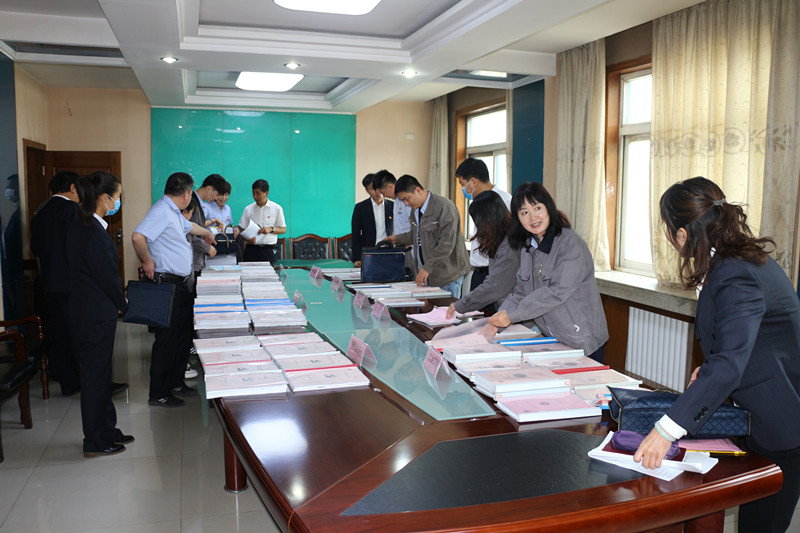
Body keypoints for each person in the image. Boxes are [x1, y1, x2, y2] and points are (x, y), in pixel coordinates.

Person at [633, 177, 800, 533]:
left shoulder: (735, 273)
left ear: (681, 234)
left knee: (762, 525)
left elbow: (729, 364)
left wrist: (665, 430)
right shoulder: (731, 260)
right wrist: (711, 365)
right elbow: (743, 338)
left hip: (784, 422)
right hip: (761, 410)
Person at [487, 182, 608, 361]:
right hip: (554, 338)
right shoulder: (529, 246)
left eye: (537, 208)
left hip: (582, 338)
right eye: (524, 212)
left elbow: (556, 292)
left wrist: (511, 316)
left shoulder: (570, 243)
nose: (533, 217)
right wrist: (497, 320)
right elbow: (522, 290)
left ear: (548, 207)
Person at [132, 172, 215, 407]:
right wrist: (147, 260)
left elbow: (190, 226)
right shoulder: (161, 211)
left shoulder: (173, 212)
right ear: (187, 194)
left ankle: (176, 382)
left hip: (180, 284)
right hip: (166, 284)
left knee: (182, 336)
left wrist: (207, 232)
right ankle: (159, 392)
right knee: (167, 340)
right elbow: (138, 237)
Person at [66, 171, 133, 457]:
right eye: (117, 197)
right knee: (95, 378)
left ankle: (107, 429)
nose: (118, 202)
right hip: (93, 315)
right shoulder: (90, 230)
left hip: (93, 310)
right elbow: (107, 276)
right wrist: (124, 302)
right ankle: (94, 439)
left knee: (102, 375)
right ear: (105, 198)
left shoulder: (87, 225)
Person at [30, 171, 82, 396]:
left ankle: (68, 384)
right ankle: (88, 383)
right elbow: (83, 249)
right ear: (72, 188)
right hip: (74, 284)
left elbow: (36, 248)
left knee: (60, 333)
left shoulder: (40, 213)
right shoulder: (74, 211)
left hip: (50, 283)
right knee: (80, 335)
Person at [385, 174, 470, 298]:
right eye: (403, 200)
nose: (406, 203)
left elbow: (446, 243)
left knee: (446, 309)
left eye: (407, 199)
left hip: (447, 276)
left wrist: (427, 268)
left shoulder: (444, 206)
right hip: (429, 275)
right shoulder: (416, 210)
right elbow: (416, 234)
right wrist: (398, 239)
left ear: (418, 190)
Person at [445, 191, 519, 318]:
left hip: (516, 315)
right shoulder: (500, 240)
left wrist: (460, 305)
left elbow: (495, 287)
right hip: (507, 310)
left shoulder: (510, 246)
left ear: (487, 221)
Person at [455, 158, 513, 291]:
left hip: (495, 272)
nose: (463, 189)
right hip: (479, 272)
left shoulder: (504, 201)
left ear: (473, 182)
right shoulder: (479, 202)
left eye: (463, 184)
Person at [234, 179, 286, 263]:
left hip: (269, 250)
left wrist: (271, 229)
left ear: (266, 193)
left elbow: (283, 229)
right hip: (251, 249)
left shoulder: (276, 208)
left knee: (269, 271)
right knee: (248, 271)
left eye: (258, 193)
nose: (255, 196)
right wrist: (247, 239)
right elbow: (242, 229)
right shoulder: (248, 209)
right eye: (253, 193)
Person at [351, 173, 393, 266]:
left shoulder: (393, 206)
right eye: (372, 188)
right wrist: (357, 258)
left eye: (378, 187)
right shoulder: (360, 208)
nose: (377, 191)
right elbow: (356, 235)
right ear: (367, 190)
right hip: (369, 253)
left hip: (389, 252)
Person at [188, 174, 224, 273]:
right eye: (216, 194)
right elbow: (189, 234)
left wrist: (204, 236)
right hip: (191, 260)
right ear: (208, 189)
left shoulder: (199, 203)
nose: (216, 198)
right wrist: (207, 248)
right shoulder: (191, 203)